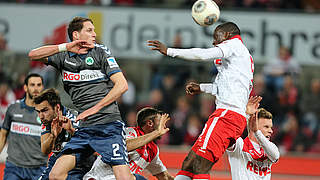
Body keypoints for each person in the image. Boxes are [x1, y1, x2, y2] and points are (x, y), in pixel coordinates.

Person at [28, 17, 134, 180]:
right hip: (85, 128)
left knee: (124, 178)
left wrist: (95, 108)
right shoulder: (63, 57)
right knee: (55, 175)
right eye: (89, 30)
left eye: (94, 30)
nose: (94, 34)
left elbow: (122, 85)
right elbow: (33, 55)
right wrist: (66, 46)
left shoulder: (100, 51)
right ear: (76, 35)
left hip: (108, 125)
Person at [148, 22, 254, 179]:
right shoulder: (240, 59)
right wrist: (202, 87)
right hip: (230, 115)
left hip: (227, 115)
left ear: (226, 35)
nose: (213, 42)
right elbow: (225, 87)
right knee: (189, 163)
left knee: (200, 165)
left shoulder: (234, 45)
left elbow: (203, 54)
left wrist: (169, 51)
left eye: (215, 37)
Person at [83, 107, 174, 180]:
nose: (164, 126)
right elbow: (122, 146)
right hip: (100, 177)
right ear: (150, 123)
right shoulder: (129, 132)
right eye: (161, 122)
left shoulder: (152, 150)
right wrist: (156, 132)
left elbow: (164, 176)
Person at [34, 88, 95, 180]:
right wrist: (52, 136)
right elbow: (45, 150)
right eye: (38, 112)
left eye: (45, 110)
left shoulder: (76, 119)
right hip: (56, 159)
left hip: (79, 163)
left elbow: (92, 147)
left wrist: (71, 130)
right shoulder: (47, 120)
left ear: (57, 108)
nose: (41, 116)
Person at [0, 73, 47, 180]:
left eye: (39, 85)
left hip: (38, 169)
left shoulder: (47, 113)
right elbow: (3, 134)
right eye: (32, 85)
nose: (36, 88)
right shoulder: (13, 108)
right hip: (14, 167)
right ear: (25, 87)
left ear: (43, 88)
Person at [227, 107, 280, 180]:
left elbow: (275, 157)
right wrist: (244, 114)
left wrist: (257, 132)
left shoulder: (270, 148)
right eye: (266, 127)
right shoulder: (240, 146)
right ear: (253, 125)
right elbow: (228, 133)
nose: (271, 131)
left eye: (271, 127)